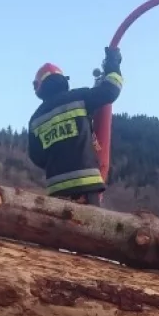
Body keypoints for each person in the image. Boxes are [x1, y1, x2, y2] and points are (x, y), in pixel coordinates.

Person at [27, 47, 122, 206]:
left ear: (39, 87)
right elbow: (111, 90)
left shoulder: (36, 119)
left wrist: (56, 160)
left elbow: (36, 156)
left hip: (57, 191)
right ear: (63, 80)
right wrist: (113, 62)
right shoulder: (79, 98)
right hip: (87, 186)